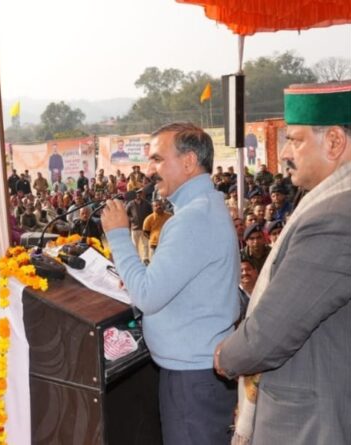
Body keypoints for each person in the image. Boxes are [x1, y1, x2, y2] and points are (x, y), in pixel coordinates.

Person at [214, 81, 351, 444]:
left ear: (334, 141)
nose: (286, 152)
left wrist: (227, 356)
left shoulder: (336, 218)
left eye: (295, 140)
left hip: (311, 422)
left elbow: (268, 335)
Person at [101, 122, 238, 445]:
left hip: (192, 380)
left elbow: (147, 296)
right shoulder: (203, 208)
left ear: (189, 162)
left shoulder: (193, 218)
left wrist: (118, 234)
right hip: (198, 373)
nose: (149, 170)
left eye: (158, 159)